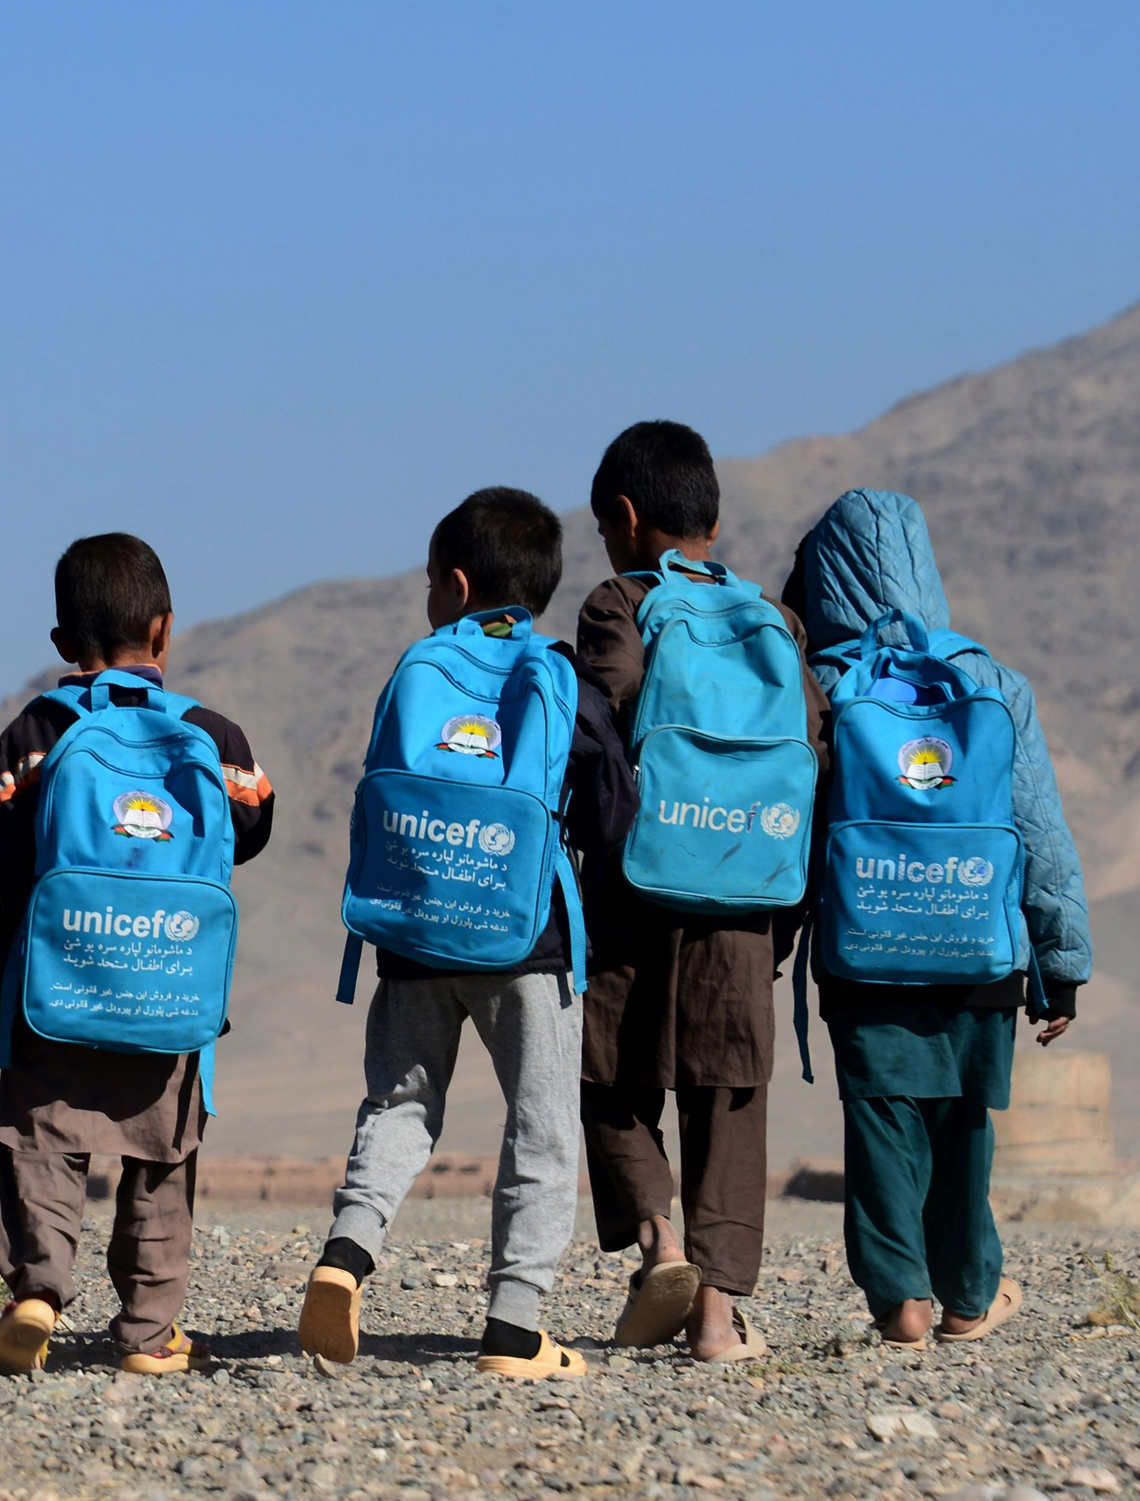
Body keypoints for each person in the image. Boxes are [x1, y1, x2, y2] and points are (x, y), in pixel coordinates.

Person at [304, 488, 634, 1379]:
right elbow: (612, 811)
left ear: (454, 583)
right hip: (528, 941)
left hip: (414, 939)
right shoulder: (557, 676)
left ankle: (346, 1252)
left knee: (400, 1105)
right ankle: (515, 1328)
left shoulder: (418, 667)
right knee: (542, 1126)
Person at [0, 533, 276, 1376]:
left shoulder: (39, 731)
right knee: (161, 1157)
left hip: (53, 988)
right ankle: (146, 1328)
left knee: (39, 1142)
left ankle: (35, 1294)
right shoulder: (211, 735)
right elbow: (255, 822)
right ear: (164, 631)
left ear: (63, 644)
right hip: (169, 995)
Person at [785, 488, 1088, 1346]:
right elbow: (1039, 827)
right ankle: (966, 1298)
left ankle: (900, 1302)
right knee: (964, 1127)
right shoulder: (993, 682)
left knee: (882, 1122)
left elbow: (802, 828)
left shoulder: (827, 690)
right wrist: (1060, 960)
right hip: (980, 949)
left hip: (866, 948)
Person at [574, 421, 828, 1363]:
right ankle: (718, 1319)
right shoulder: (776, 622)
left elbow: (601, 735)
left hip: (637, 890)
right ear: (713, 520)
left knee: (602, 1074)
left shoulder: (618, 603)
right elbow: (815, 749)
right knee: (729, 1099)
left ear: (628, 518)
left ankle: (660, 1241)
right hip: (749, 891)